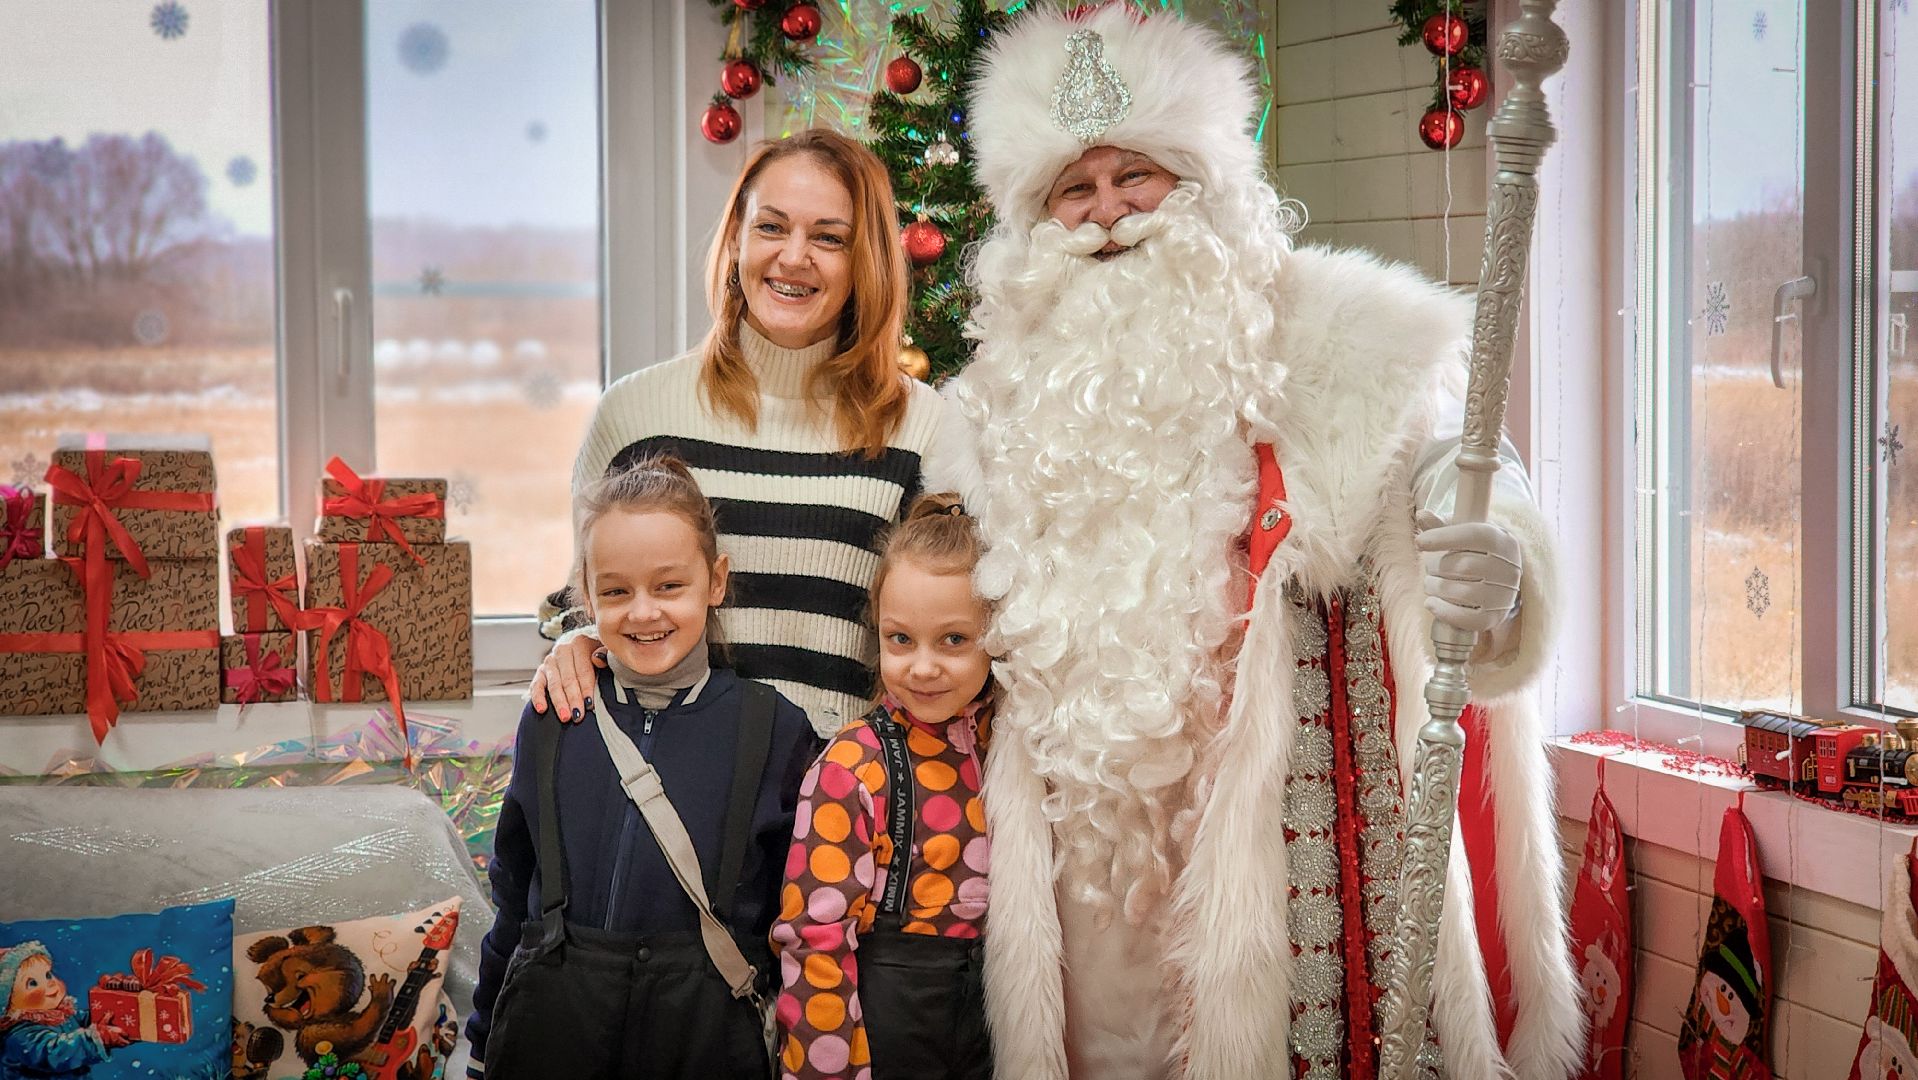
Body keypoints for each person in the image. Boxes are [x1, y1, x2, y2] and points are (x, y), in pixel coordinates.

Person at [927, 8, 1581, 1080]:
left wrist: (1500, 547)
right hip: (1088, 889)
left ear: (1203, 183)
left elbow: (1457, 459)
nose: (1103, 219)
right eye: (1071, 192)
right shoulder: (990, 403)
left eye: (1134, 178)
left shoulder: (1331, 329)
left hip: (1284, 840)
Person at [532, 128, 957, 739]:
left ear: (864, 261)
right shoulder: (634, 417)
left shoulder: (923, 427)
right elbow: (592, 600)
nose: (793, 257)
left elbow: (944, 635)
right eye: (772, 227)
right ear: (736, 238)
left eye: (829, 238)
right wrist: (574, 639)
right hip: (673, 805)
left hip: (839, 816)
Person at [467, 457, 820, 1079]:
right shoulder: (554, 718)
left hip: (706, 1035)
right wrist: (478, 1042)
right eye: (616, 591)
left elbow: (800, 920)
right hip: (554, 1030)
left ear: (715, 582)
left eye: (668, 586)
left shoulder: (776, 731)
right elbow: (511, 892)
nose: (643, 613)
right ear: (586, 592)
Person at [772, 493, 994, 1080]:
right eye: (901, 639)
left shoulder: (1013, 754)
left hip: (996, 1031)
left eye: (954, 640)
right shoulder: (851, 767)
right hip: (884, 1032)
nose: (922, 667)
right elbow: (813, 940)